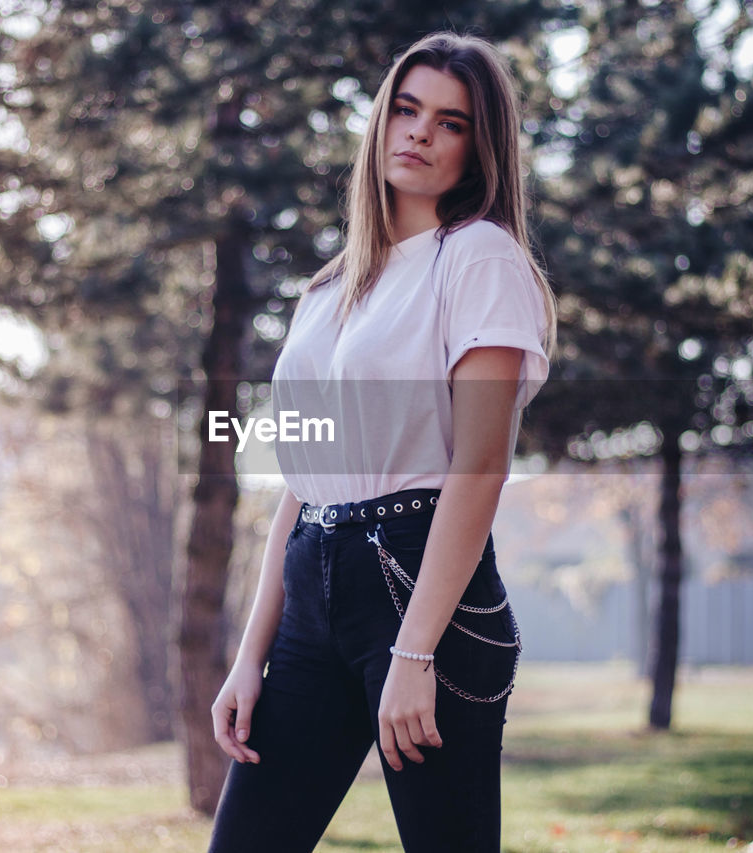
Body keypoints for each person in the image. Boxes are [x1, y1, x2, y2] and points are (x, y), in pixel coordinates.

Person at [207, 31, 557, 853]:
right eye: (406, 111)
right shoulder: (327, 289)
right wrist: (250, 654)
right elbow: (300, 483)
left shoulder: (477, 258)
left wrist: (415, 651)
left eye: (449, 122)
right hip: (311, 586)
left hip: (418, 579)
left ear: (479, 148)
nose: (419, 134)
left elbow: (481, 465)